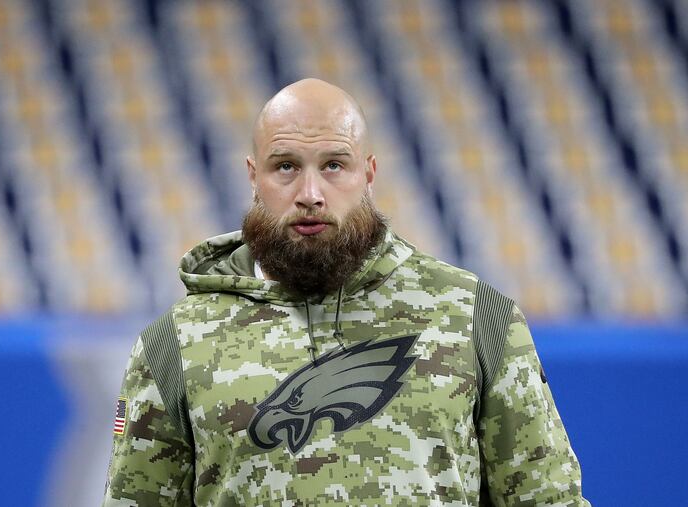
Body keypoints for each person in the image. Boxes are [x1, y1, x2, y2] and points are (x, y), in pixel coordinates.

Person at [102, 78, 588, 506]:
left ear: (368, 174)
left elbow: (548, 500)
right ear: (253, 176)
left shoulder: (477, 317)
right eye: (285, 166)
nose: (310, 194)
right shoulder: (173, 345)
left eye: (334, 165)